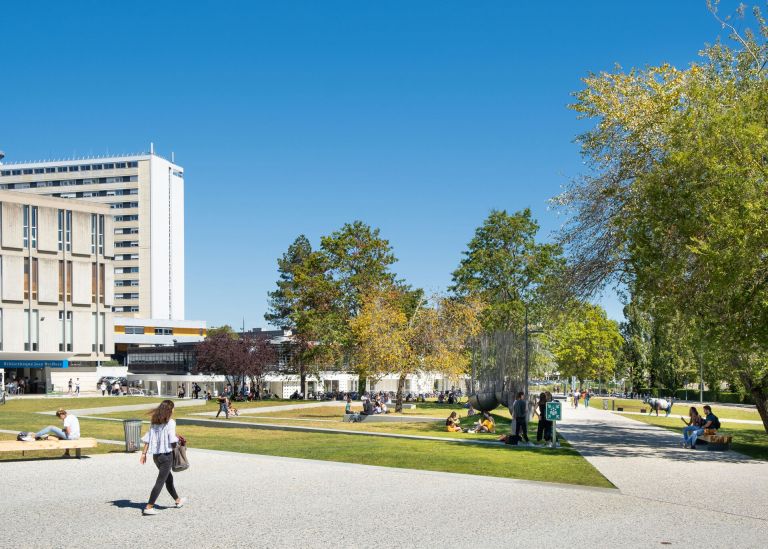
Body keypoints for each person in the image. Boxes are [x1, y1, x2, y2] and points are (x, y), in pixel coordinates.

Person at [139, 400, 186, 515]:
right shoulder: (171, 422)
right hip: (166, 456)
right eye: (173, 408)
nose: (174, 410)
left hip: (156, 457)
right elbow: (171, 439)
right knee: (160, 481)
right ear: (170, 410)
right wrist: (179, 440)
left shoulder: (155, 422)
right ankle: (149, 507)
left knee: (168, 479)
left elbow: (148, 439)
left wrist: (143, 454)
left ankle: (178, 500)